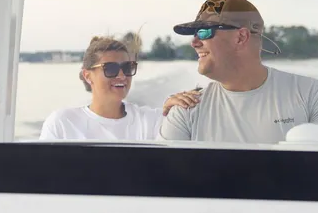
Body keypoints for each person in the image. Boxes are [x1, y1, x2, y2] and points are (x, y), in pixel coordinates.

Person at [156, 0, 318, 147]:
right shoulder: (186, 109)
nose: (194, 42)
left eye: (205, 32)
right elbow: (162, 181)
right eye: (194, 34)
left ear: (241, 37)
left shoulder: (311, 95)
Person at [39, 34, 198, 141]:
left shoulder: (152, 121)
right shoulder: (62, 123)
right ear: (88, 76)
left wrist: (175, 112)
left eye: (127, 68)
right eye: (111, 68)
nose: (122, 76)